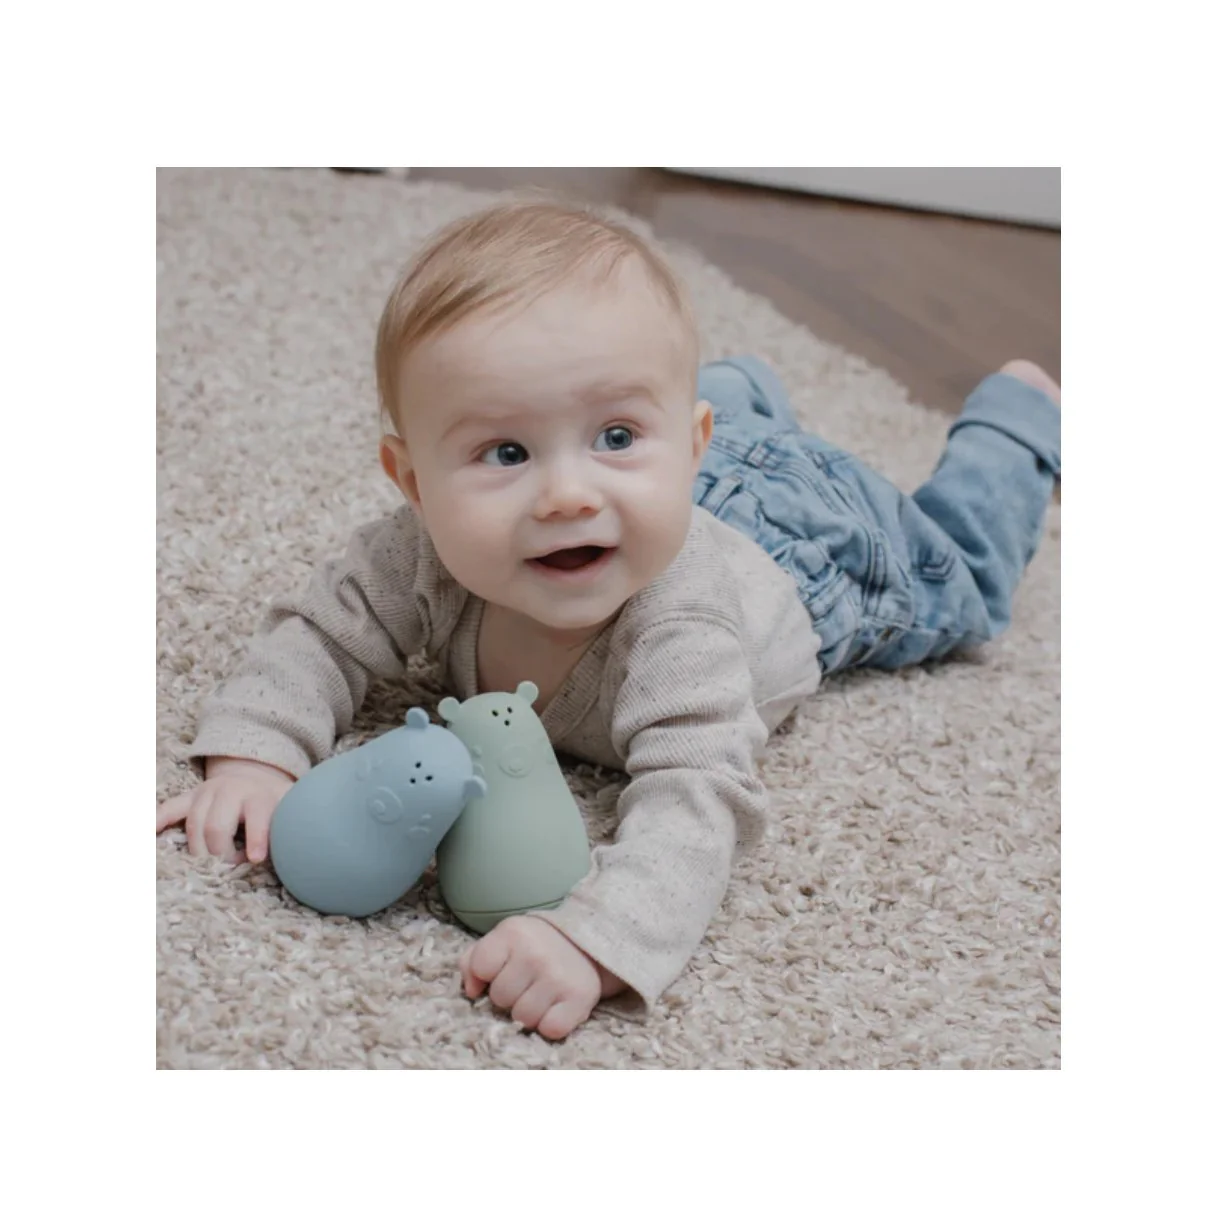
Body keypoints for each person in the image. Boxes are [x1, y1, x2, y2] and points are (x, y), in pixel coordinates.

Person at [156, 200, 1061, 1040]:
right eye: (506, 452)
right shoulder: (420, 550)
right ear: (414, 483)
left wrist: (599, 936)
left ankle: (1017, 420)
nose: (566, 495)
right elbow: (320, 631)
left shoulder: (683, 630)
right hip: (680, 481)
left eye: (613, 436)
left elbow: (699, 793)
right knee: (627, 412)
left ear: (690, 444)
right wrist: (256, 754)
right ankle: (719, 404)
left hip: (809, 545)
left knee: (966, 587)